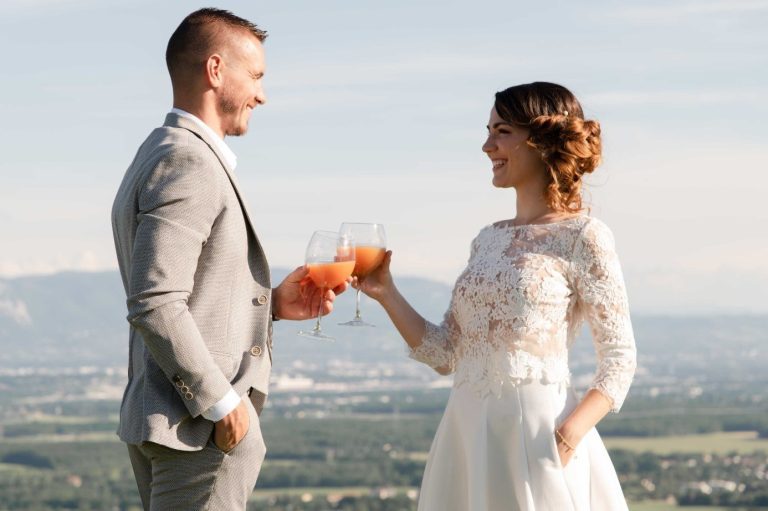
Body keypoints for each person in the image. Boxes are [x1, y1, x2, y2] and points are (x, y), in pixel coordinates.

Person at [359, 82, 636, 510]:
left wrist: (568, 436)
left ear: (540, 140)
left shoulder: (583, 237)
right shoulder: (486, 240)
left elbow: (619, 360)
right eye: (488, 130)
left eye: (501, 131)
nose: (487, 145)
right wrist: (386, 292)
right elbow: (444, 353)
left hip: (539, 439)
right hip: (465, 437)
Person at [111, 8, 345, 510]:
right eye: (256, 76)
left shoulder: (157, 150)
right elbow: (154, 301)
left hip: (179, 425)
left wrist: (272, 304)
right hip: (198, 432)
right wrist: (222, 403)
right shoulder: (189, 160)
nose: (261, 94)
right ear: (216, 71)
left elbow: (187, 291)